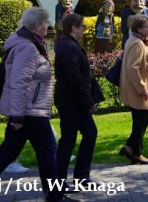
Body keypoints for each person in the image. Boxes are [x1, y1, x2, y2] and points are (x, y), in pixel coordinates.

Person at [0, 7, 68, 202]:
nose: (48, 26)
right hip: (30, 112)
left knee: (7, 153)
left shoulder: (29, 43)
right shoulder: (28, 48)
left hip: (27, 110)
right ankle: (55, 197)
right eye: (46, 23)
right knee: (48, 153)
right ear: (37, 25)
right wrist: (18, 115)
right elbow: (18, 82)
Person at [54, 13, 98, 186]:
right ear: (73, 28)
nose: (84, 30)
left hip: (76, 101)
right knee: (68, 140)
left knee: (90, 133)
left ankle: (81, 177)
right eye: (82, 26)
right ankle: (59, 180)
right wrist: (89, 102)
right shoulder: (67, 47)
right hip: (70, 101)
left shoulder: (71, 45)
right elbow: (74, 78)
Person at [118, 13, 148, 165]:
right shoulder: (137, 43)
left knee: (144, 118)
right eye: (147, 27)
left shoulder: (138, 40)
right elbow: (132, 68)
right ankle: (137, 153)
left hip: (137, 89)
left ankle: (129, 147)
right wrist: (142, 88)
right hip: (138, 91)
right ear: (139, 28)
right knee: (141, 120)